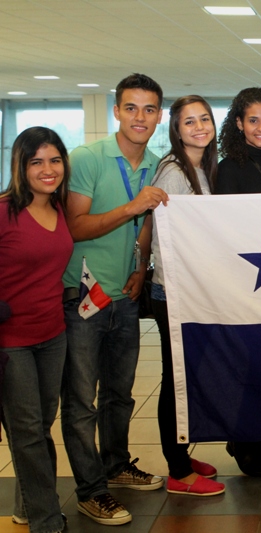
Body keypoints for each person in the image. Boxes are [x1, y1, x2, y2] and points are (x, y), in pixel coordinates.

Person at [61, 73, 168, 526]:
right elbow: (75, 226)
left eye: (149, 109)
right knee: (80, 400)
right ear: (117, 111)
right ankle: (91, 490)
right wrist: (131, 206)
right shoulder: (87, 158)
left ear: (159, 116)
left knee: (120, 394)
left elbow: (148, 227)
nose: (140, 117)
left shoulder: (157, 163)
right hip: (84, 295)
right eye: (131, 107)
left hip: (125, 296)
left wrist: (141, 268)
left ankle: (116, 465)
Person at [149, 96, 226, 496]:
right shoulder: (173, 172)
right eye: (189, 121)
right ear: (176, 130)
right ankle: (178, 470)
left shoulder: (200, 168)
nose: (199, 127)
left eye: (205, 119)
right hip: (174, 291)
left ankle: (181, 452)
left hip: (192, 289)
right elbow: (165, 238)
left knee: (188, 376)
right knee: (175, 378)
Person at [0, 127, 72, 533]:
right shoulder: (3, 211)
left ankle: (26, 506)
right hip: (11, 341)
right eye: (37, 162)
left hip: (53, 334)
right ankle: (47, 520)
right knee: (27, 432)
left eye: (55, 160)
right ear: (20, 166)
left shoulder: (58, 207)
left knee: (39, 426)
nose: (48, 169)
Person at [216, 87, 261, 476]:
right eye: (253, 120)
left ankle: (255, 438)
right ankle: (243, 441)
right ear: (238, 123)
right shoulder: (230, 167)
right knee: (251, 366)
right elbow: (229, 229)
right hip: (249, 279)